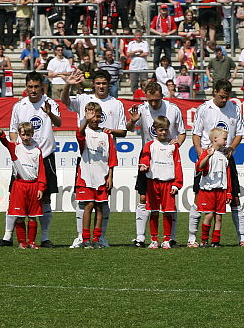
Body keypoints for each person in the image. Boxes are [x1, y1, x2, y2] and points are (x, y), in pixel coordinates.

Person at [0, 71, 61, 248]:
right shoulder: (19, 106)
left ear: (42, 87)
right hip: (23, 159)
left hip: (45, 156)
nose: (33, 90)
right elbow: (13, 130)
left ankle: (45, 238)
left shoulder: (50, 103)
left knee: (45, 198)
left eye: (36, 87)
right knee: (15, 197)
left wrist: (49, 114)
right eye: (30, 87)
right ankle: (8, 237)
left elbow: (59, 123)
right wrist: (16, 150)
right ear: (26, 87)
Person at [61, 69, 127, 248]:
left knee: (102, 204)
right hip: (85, 157)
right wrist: (68, 84)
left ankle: (100, 237)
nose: (101, 86)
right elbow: (64, 101)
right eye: (98, 83)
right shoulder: (83, 99)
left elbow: (123, 131)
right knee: (84, 203)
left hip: (104, 160)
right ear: (94, 84)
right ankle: (81, 237)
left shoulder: (116, 104)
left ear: (109, 84)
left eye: (104, 83)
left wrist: (109, 132)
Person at [188, 79, 244, 248]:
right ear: (214, 92)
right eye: (221, 96)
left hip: (225, 159)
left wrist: (231, 147)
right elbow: (195, 133)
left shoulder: (234, 108)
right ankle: (192, 238)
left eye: (226, 97)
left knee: (235, 197)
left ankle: (242, 238)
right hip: (207, 158)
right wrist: (199, 151)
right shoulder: (204, 109)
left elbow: (239, 133)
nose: (224, 100)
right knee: (197, 196)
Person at [126, 82, 186, 247]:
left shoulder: (173, 109)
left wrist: (176, 145)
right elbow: (129, 128)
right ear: (146, 96)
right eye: (150, 100)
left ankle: (170, 237)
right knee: (144, 197)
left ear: (162, 95)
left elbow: (182, 132)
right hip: (148, 156)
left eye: (156, 100)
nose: (153, 103)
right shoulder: (142, 109)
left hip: (168, 157)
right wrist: (133, 121)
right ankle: (141, 238)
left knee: (170, 200)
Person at [0, 122, 47, 250]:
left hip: (33, 186)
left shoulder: (37, 151)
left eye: (28, 134)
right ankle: (22, 242)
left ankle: (31, 242)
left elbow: (42, 171)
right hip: (19, 185)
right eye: (23, 135)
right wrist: (1, 135)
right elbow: (5, 143)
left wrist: (41, 187)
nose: (25, 137)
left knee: (33, 216)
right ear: (19, 135)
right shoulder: (15, 148)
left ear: (32, 134)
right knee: (19, 215)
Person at [137, 116, 184, 250]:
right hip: (153, 183)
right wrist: (144, 165)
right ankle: (154, 239)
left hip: (168, 183)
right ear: (155, 130)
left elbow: (177, 166)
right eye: (160, 130)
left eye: (165, 130)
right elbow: (145, 157)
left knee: (168, 212)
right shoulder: (150, 145)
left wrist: (177, 183)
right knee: (154, 211)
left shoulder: (173, 146)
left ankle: (166, 239)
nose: (163, 132)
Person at [75, 102, 117, 248]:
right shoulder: (84, 132)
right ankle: (85, 238)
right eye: (91, 115)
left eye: (97, 115)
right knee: (88, 205)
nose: (94, 118)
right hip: (86, 176)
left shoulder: (106, 135)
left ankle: (97, 238)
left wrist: (110, 176)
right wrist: (85, 120)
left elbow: (111, 157)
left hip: (102, 177)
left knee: (100, 207)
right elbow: (78, 134)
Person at [194, 127, 232, 248]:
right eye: (224, 139)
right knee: (209, 215)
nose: (226, 142)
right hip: (208, 190)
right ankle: (204, 240)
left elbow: (228, 176)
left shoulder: (224, 156)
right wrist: (208, 156)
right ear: (215, 139)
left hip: (221, 190)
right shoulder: (207, 152)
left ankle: (215, 241)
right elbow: (200, 167)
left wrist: (229, 192)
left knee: (219, 217)